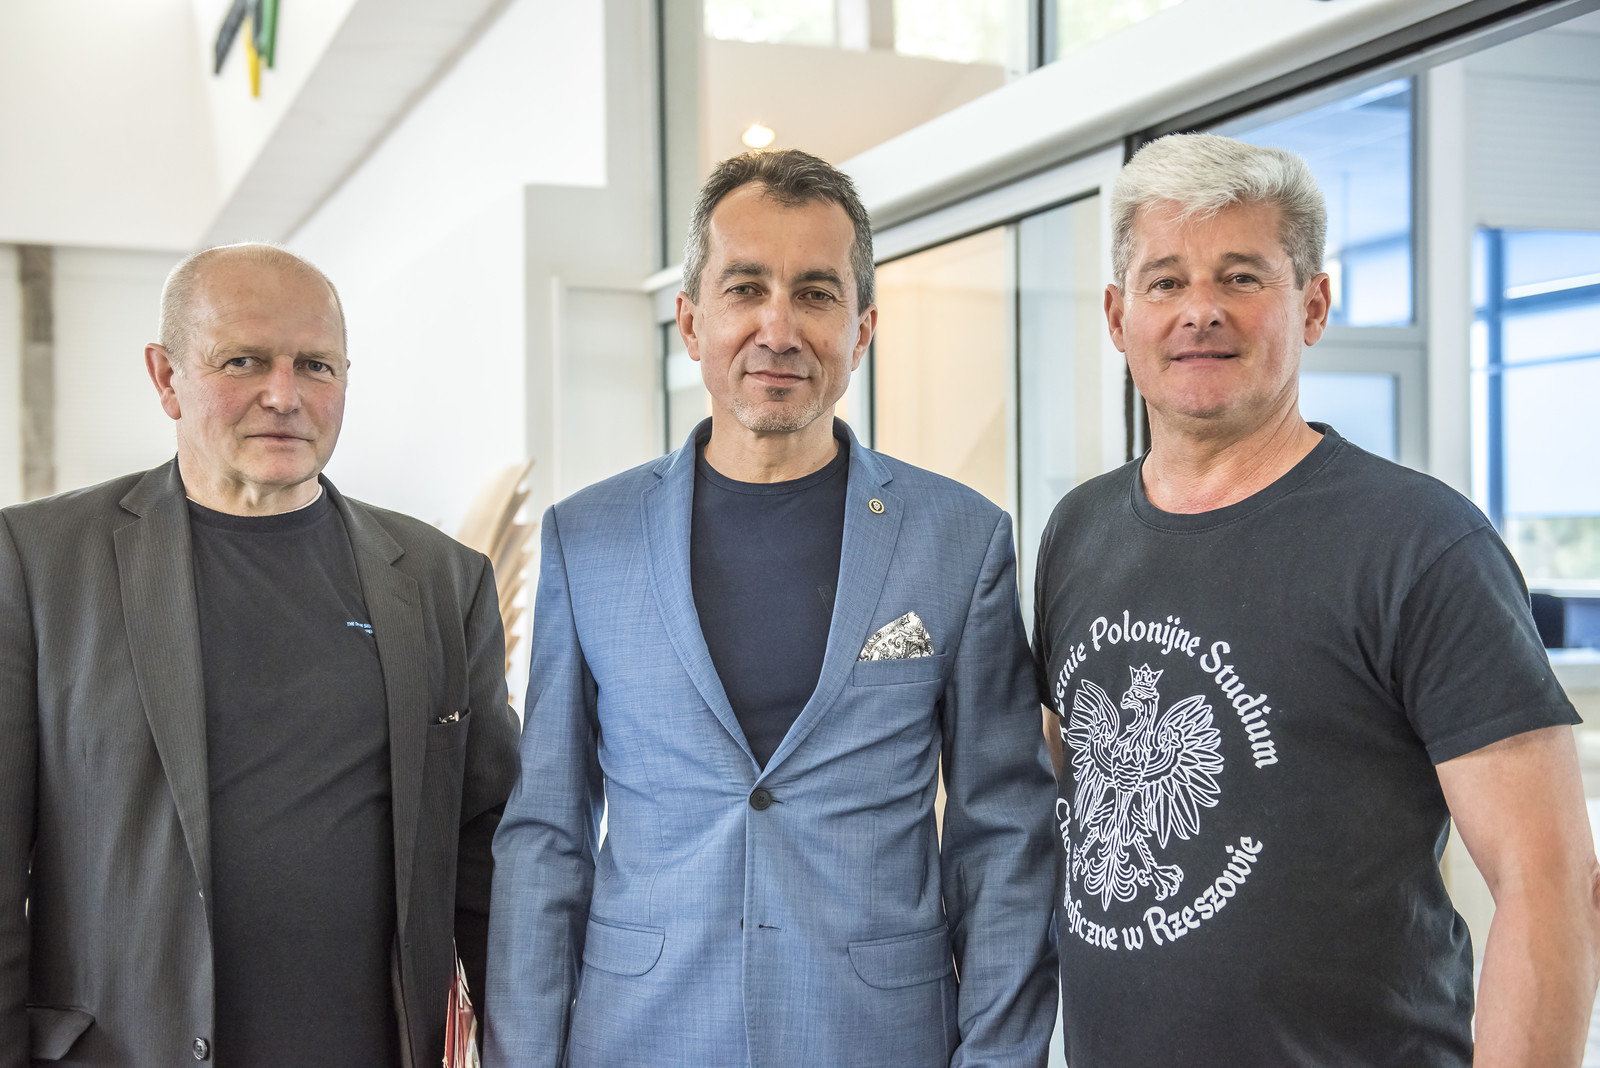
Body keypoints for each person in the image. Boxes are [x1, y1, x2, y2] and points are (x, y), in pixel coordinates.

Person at [1031, 132, 1600, 1066]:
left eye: (1242, 277)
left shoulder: (1422, 543)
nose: (1200, 310)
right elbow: (1069, 786)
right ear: (1117, 315)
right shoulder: (1078, 530)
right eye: (1166, 280)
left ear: (1313, 305)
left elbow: (1552, 884)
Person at [486, 149, 1057, 1067]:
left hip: (875, 1039)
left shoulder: (961, 538)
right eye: (746, 288)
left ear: (862, 329)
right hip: (642, 1036)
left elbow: (1004, 838)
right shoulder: (586, 538)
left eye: (816, 294)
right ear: (691, 322)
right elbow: (547, 838)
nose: (779, 329)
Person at [0, 244, 520, 1066]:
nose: (284, 395)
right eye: (242, 361)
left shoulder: (440, 580)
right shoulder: (37, 562)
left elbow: (489, 859)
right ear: (166, 378)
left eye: (315, 365)